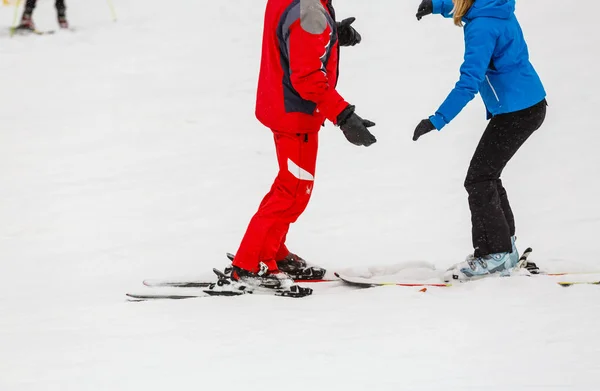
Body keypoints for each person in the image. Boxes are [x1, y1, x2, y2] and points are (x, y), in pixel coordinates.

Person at [230, 0, 377, 288]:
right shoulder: (311, 12)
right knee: (293, 191)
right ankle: (250, 264)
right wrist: (345, 116)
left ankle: (273, 252)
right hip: (295, 115)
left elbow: (292, 35)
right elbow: (307, 78)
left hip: (280, 105)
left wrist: (332, 33)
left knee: (290, 186)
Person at [412, 0, 547, 281]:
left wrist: (437, 119)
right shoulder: (494, 7)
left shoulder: (482, 27)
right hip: (527, 103)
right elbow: (466, 5)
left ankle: (495, 254)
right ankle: (504, 250)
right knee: (487, 176)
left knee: (479, 178)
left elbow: (469, 82)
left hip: (517, 111)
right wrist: (436, 6)